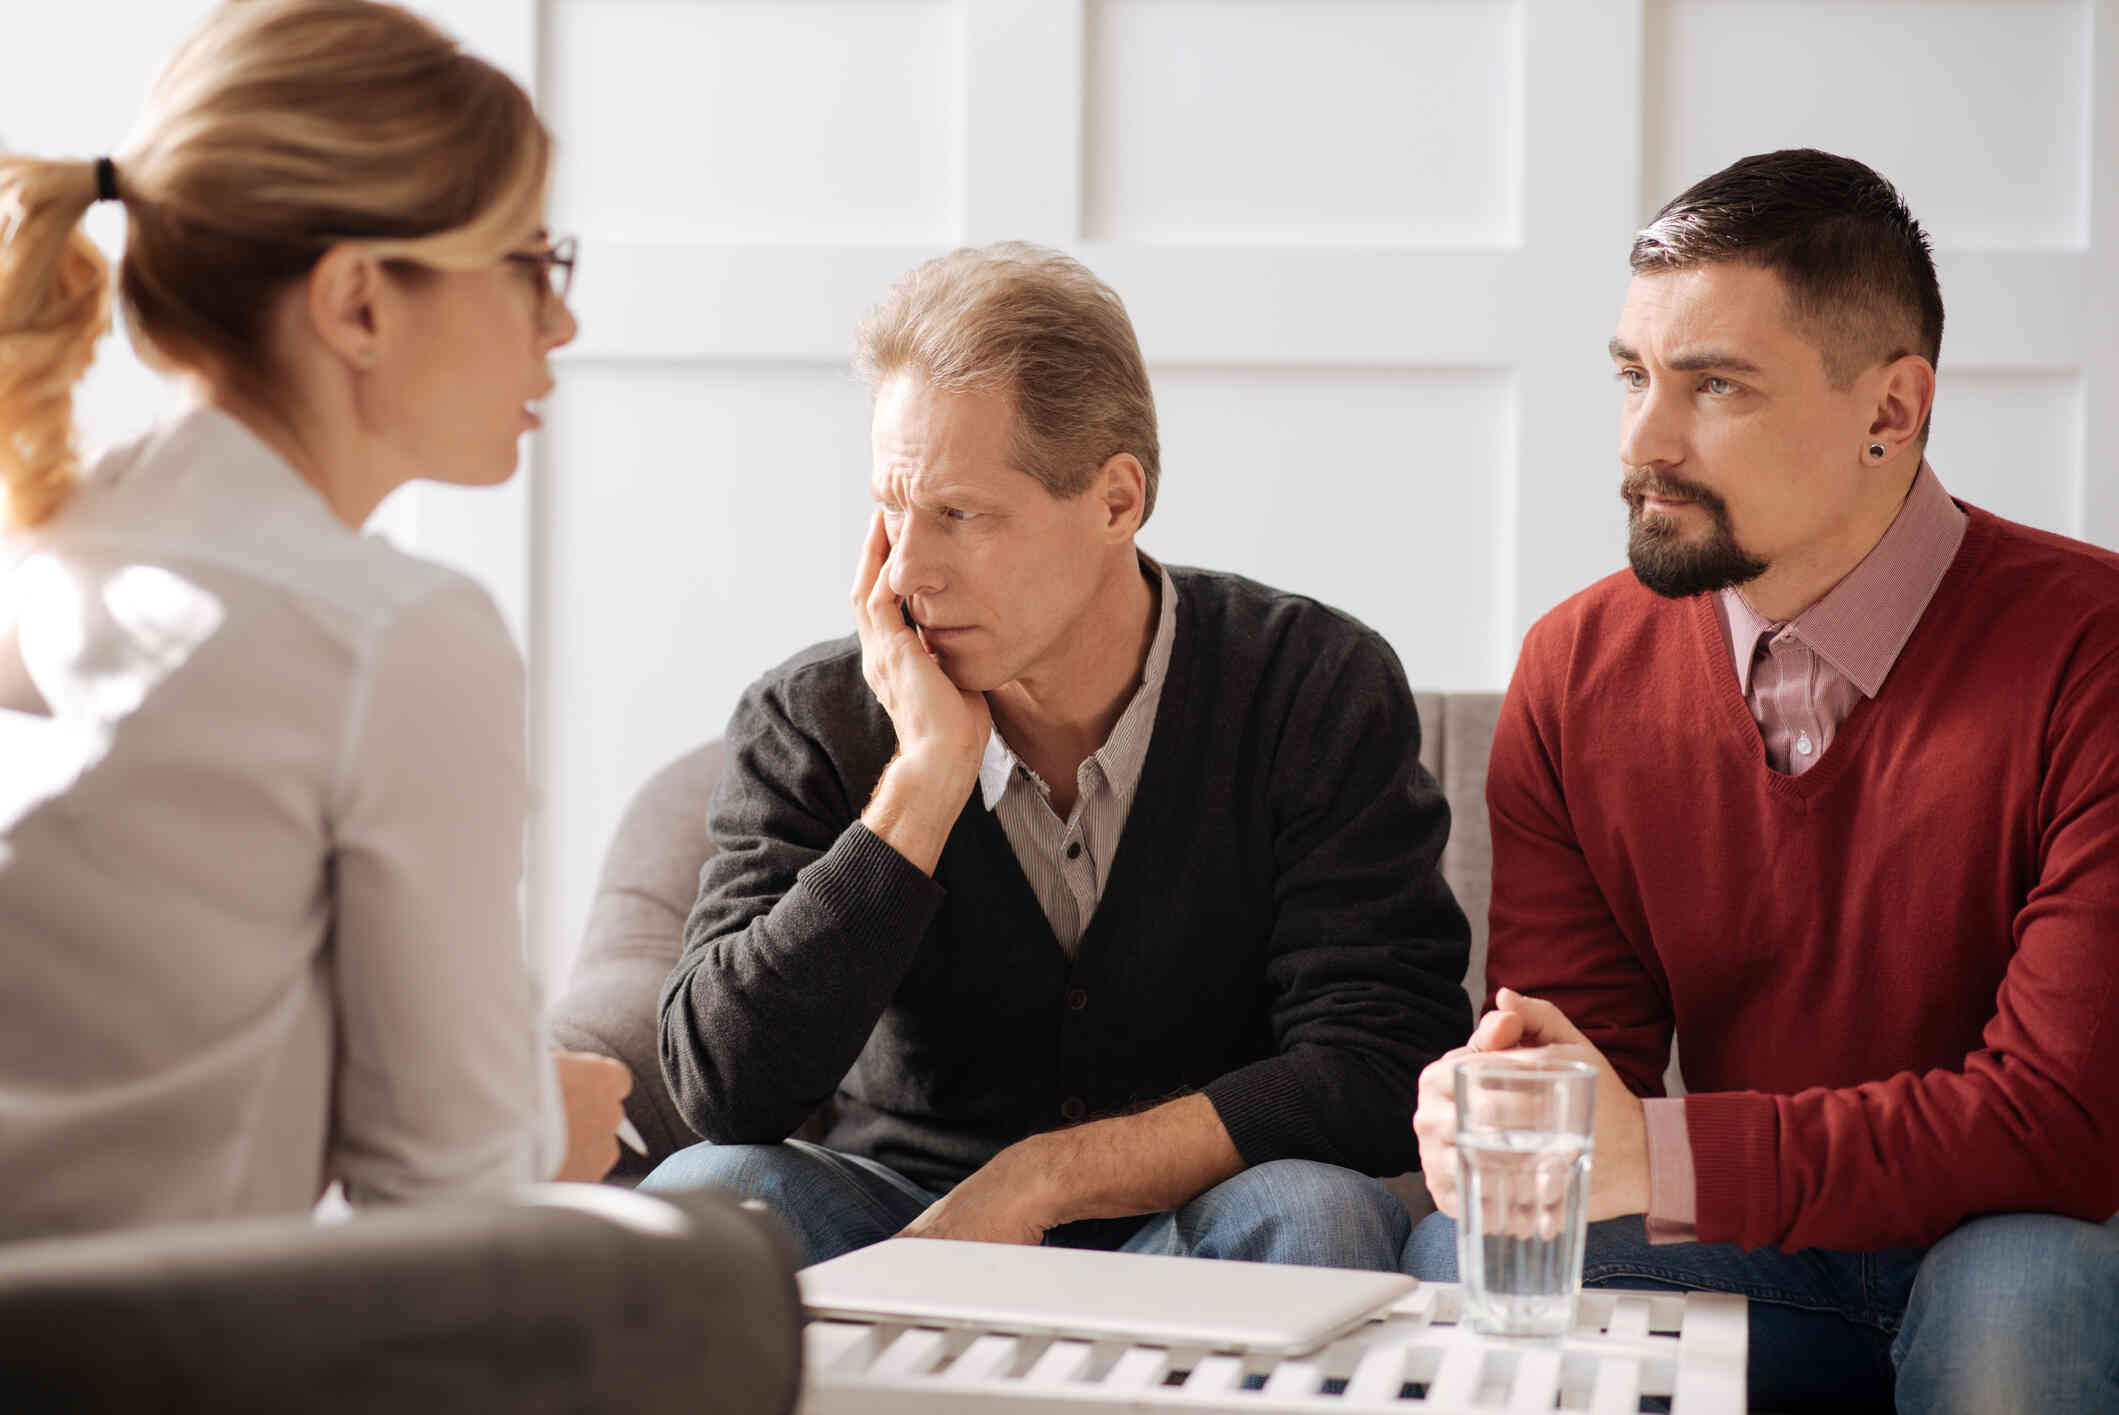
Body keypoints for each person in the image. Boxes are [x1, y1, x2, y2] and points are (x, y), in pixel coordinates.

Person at [1405, 149, 2119, 1412]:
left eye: (1714, 386)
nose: (1645, 441)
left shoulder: (2090, 650)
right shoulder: (1576, 668)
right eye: (1631, 377)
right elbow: (1587, 1072)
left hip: (2031, 1226)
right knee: (1468, 1254)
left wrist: (1658, 1150)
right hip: (1761, 1245)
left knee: (2022, 1298)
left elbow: (2056, 1120)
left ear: (1890, 411)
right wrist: (1509, 1110)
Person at [644, 242, 1472, 1268]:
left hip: (1192, 1222)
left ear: (1116, 499)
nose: (906, 569)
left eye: (960, 513)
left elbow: (1379, 1060)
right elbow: (722, 1087)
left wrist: (1042, 1176)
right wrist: (922, 786)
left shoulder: (1308, 682)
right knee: (706, 1193)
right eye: (892, 508)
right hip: (901, 1220)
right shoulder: (813, 716)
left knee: (1312, 1211)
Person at [0, 0, 629, 1241]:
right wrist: (541, 1129)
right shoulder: (392, 641)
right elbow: (447, 1211)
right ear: (357, 303)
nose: (561, 324)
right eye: (528, 261)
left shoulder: (53, 540)